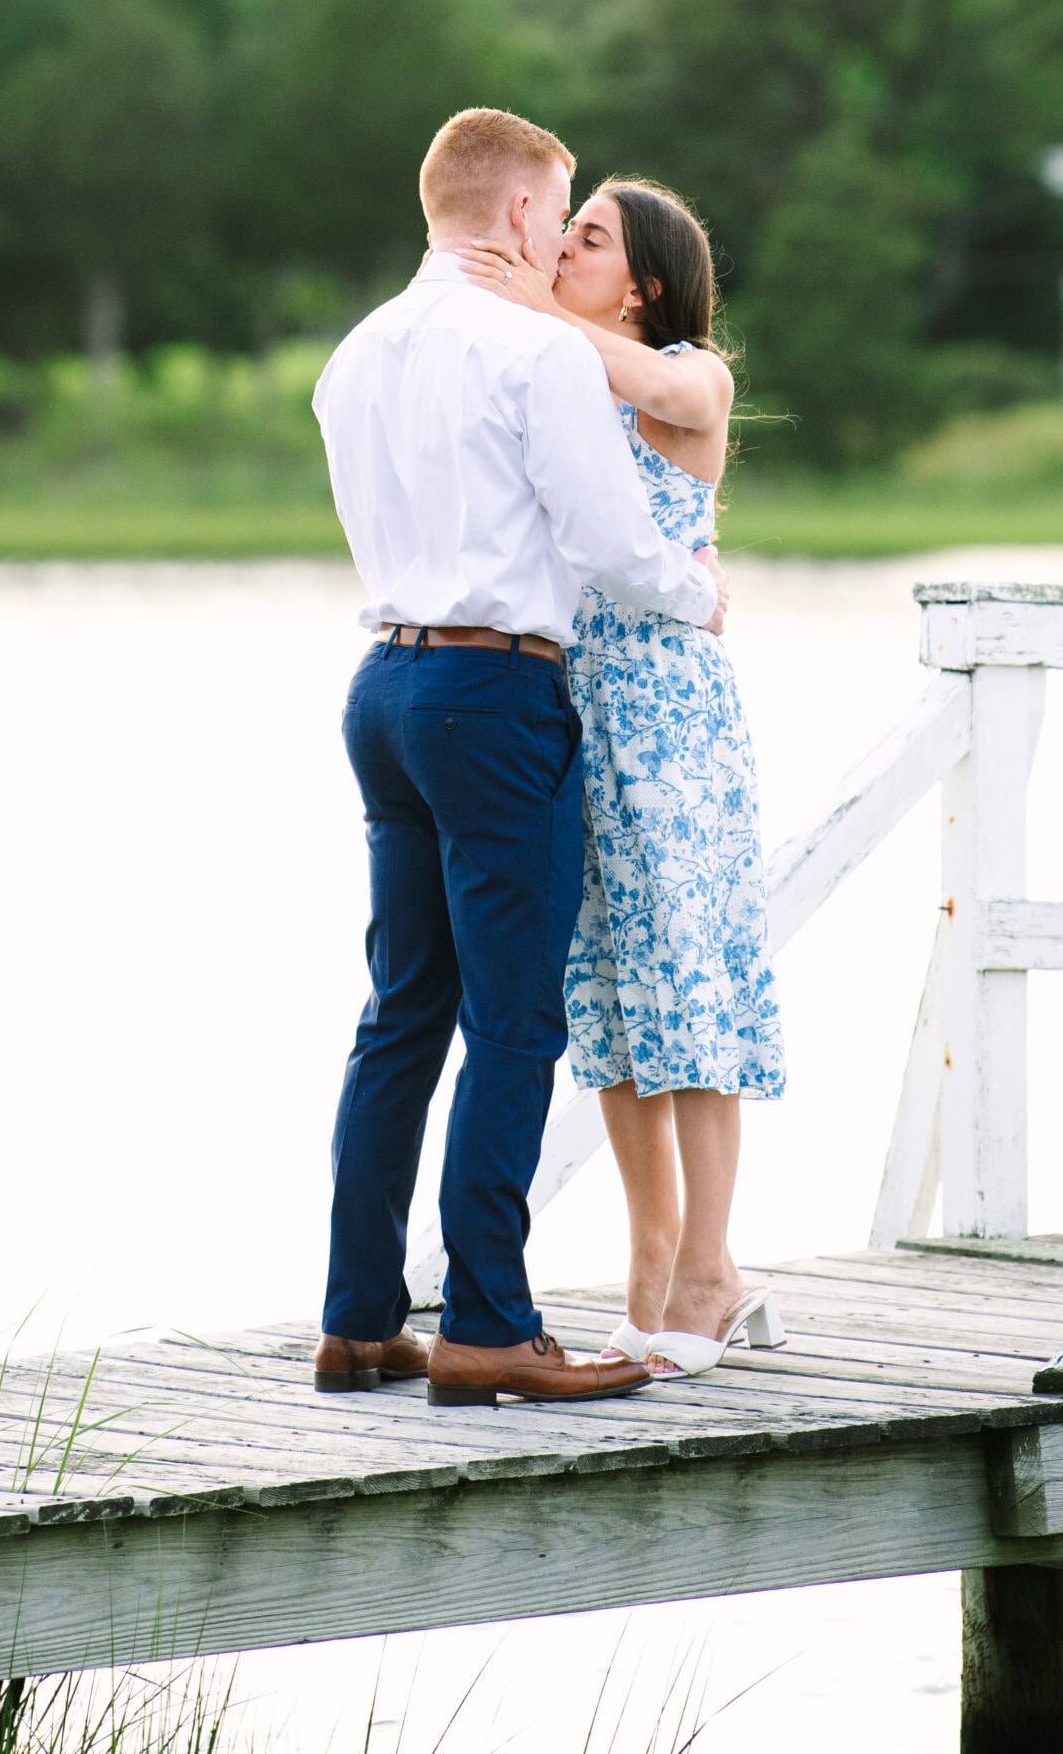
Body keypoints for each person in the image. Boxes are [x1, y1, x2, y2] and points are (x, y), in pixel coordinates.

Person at [312, 109, 725, 1407]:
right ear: (512, 215)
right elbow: (608, 545)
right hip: (493, 692)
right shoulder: (528, 352)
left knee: (400, 1015)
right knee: (512, 1021)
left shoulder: (355, 353)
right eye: (554, 214)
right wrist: (696, 594)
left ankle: (362, 1321)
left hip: (383, 683)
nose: (554, 239)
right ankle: (490, 1320)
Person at [453, 178, 785, 1379]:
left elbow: (655, 387)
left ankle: (709, 1262)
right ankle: (651, 1261)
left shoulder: (689, 372)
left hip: (669, 720)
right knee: (606, 993)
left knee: (688, 982)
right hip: (565, 708)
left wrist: (535, 304)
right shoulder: (560, 378)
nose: (558, 249)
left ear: (638, 283)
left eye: (583, 239)